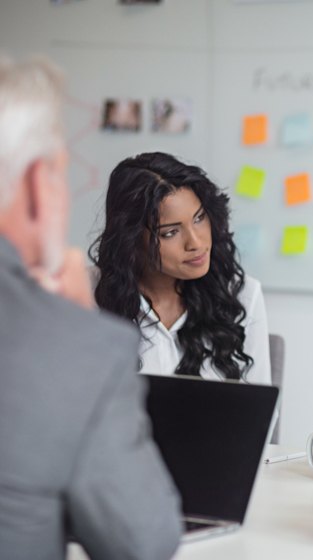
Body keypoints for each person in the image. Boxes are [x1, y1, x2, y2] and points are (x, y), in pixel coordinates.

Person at [0, 56, 182, 558]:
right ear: (39, 186)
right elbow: (143, 543)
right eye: (63, 172)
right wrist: (78, 329)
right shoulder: (71, 347)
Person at [90, 152, 271, 384]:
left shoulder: (243, 294)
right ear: (132, 240)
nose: (196, 243)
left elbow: (262, 409)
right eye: (170, 232)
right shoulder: (85, 296)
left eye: (199, 218)